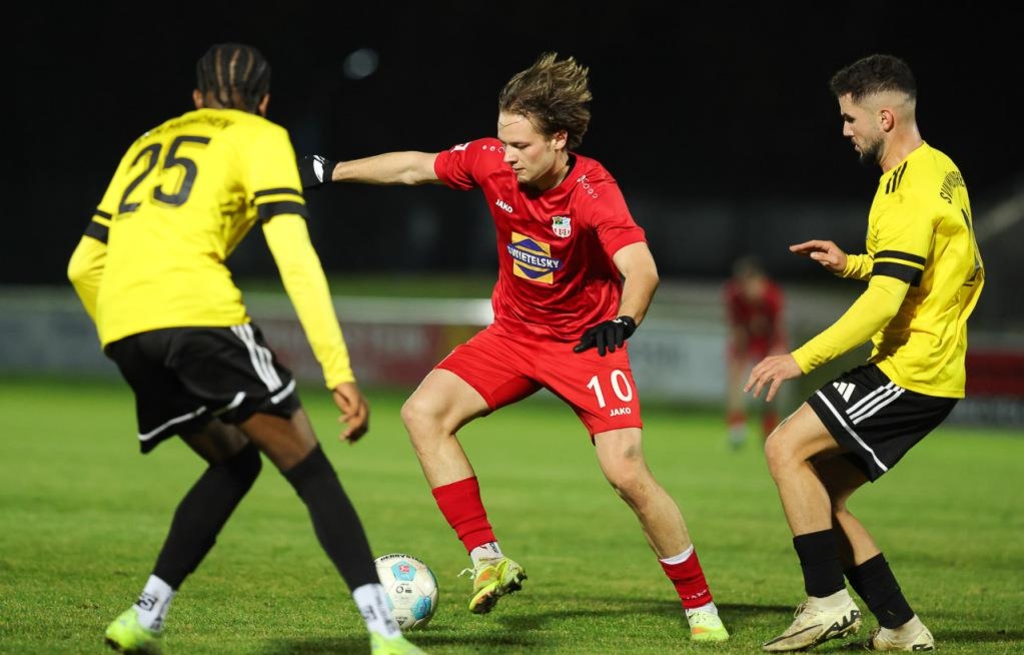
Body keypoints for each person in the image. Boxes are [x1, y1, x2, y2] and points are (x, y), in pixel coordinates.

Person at [299, 52, 730, 642]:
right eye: (502, 141)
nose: (504, 155)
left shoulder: (593, 191)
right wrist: (331, 171)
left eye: (519, 146)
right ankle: (488, 559)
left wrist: (624, 323)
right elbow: (414, 169)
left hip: (586, 344)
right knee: (422, 413)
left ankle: (701, 609)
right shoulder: (490, 161)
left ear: (558, 140)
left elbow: (642, 269)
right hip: (513, 335)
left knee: (625, 471)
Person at [66, 43, 424, 655]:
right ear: (262, 101)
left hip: (126, 329)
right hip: (200, 318)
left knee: (235, 462)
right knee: (310, 469)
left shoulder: (146, 143)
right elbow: (295, 256)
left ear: (198, 98)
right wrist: (337, 369)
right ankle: (386, 638)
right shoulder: (261, 137)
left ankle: (144, 617)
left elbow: (82, 265)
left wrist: (127, 331)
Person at [745, 54, 984, 652]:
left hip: (911, 366)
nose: (844, 129)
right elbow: (922, 271)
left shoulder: (906, 193)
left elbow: (884, 305)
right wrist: (851, 262)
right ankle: (902, 627)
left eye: (850, 118)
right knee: (818, 492)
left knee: (783, 446)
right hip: (933, 366)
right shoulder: (941, 168)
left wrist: (800, 359)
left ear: (883, 116)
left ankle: (825, 603)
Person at [722, 255, 787, 449]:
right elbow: (736, 326)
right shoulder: (734, 295)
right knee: (736, 380)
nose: (746, 289)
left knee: (771, 386)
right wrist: (739, 352)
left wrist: (776, 354)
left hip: (769, 342)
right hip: (745, 340)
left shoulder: (772, 295)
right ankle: (737, 428)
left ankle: (768, 429)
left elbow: (777, 328)